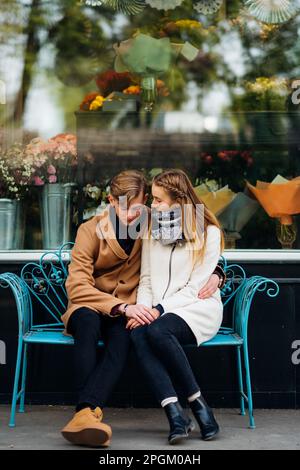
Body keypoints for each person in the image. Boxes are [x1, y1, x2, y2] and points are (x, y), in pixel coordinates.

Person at [60, 169, 226, 447]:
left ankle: (191, 409)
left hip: (165, 307)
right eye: (122, 206)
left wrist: (219, 272)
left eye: (140, 206)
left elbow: (197, 257)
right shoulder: (99, 229)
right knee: (99, 325)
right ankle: (88, 413)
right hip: (107, 304)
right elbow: (82, 286)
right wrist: (133, 307)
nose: (132, 214)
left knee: (139, 334)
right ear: (111, 201)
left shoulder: (166, 224)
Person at [129, 169, 224, 444]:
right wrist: (144, 309)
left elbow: (196, 288)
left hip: (198, 308)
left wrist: (159, 310)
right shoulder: (150, 228)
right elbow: (146, 279)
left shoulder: (209, 232)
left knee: (156, 331)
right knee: (139, 332)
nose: (152, 205)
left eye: (158, 200)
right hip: (160, 309)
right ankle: (175, 416)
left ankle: (197, 404)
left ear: (178, 201)